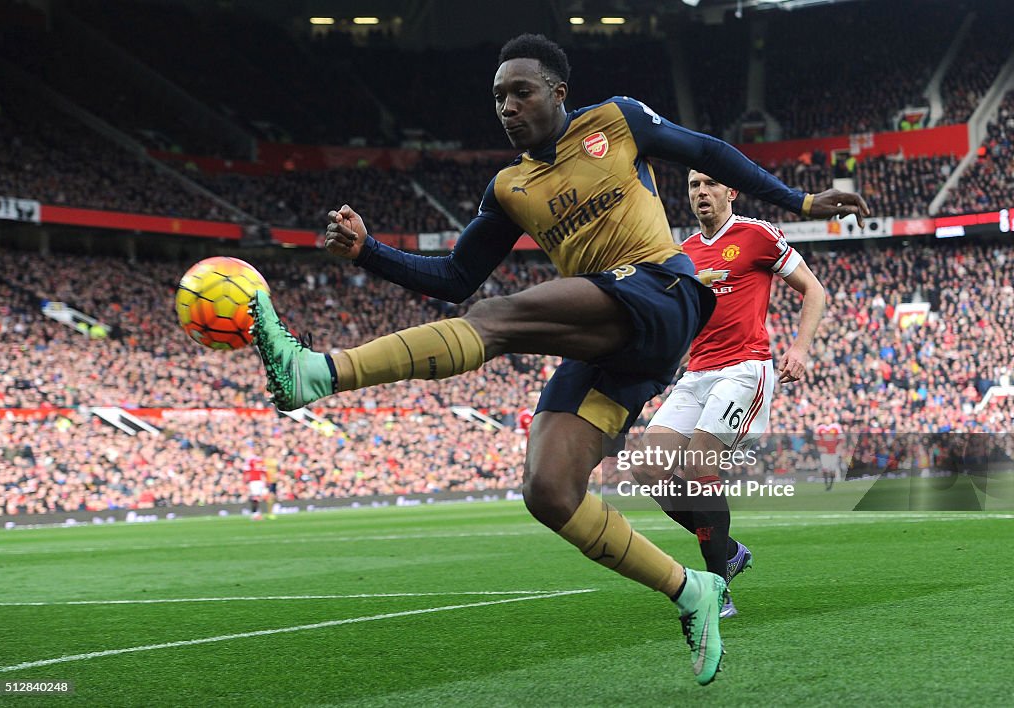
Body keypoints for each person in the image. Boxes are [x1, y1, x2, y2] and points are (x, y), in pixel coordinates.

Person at [248, 34, 869, 685]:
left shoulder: (617, 121)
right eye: (497, 97)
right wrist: (369, 251)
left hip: (663, 293)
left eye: (521, 91)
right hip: (614, 341)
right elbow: (457, 275)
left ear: (558, 92)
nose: (508, 106)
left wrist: (798, 201)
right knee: (548, 491)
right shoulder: (510, 186)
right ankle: (692, 591)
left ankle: (317, 372)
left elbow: (707, 151)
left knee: (495, 321)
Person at [632, 169, 827, 619]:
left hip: (744, 368)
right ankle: (730, 550)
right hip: (696, 373)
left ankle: (718, 588)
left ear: (730, 190)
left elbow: (814, 290)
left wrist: (798, 348)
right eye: (694, 186)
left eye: (710, 184)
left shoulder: (756, 235)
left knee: (700, 462)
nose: (701, 192)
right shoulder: (683, 252)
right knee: (646, 468)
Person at [815, 419, 845, 490]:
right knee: (825, 469)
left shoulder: (835, 427)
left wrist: (839, 446)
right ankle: (826, 485)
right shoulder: (820, 428)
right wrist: (819, 447)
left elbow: (841, 438)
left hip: (833, 452)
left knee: (832, 469)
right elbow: (816, 439)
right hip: (825, 452)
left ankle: (830, 486)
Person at [243, 453, 266, 520]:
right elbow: (246, 471)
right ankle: (254, 514)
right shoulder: (250, 459)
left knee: (258, 498)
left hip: (260, 481)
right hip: (253, 481)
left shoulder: (261, 460)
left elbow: (263, 472)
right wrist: (246, 481)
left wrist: (264, 481)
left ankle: (257, 514)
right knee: (255, 498)